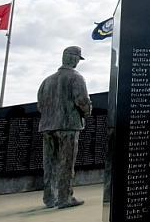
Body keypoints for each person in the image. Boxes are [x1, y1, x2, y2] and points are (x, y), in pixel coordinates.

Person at [37, 45, 92, 209]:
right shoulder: (76, 78)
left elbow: (40, 105)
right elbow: (83, 101)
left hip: (48, 126)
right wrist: (86, 114)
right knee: (66, 163)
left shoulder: (47, 80)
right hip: (68, 126)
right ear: (74, 59)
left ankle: (50, 198)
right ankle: (64, 198)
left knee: (50, 163)